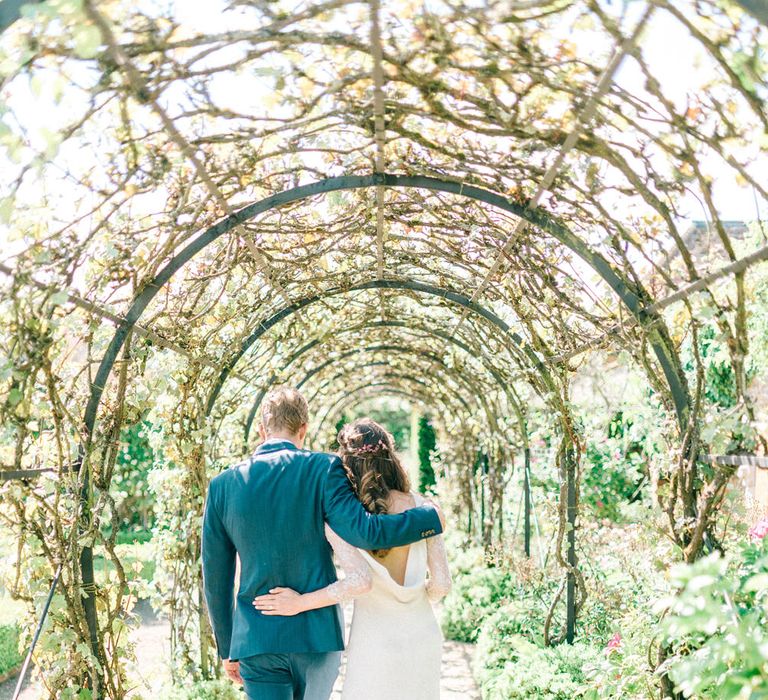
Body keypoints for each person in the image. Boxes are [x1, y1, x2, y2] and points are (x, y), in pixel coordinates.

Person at [201, 389, 445, 700]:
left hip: (257, 638)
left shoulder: (222, 485)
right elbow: (366, 532)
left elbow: (215, 578)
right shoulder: (325, 468)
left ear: (262, 430)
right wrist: (429, 518)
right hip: (317, 637)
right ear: (304, 428)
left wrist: (227, 647)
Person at [253, 418, 452, 700]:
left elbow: (358, 582)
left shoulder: (344, 519)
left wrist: (299, 603)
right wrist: (417, 598)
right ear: (390, 457)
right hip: (423, 636)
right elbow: (442, 584)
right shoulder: (425, 508)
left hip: (374, 641)